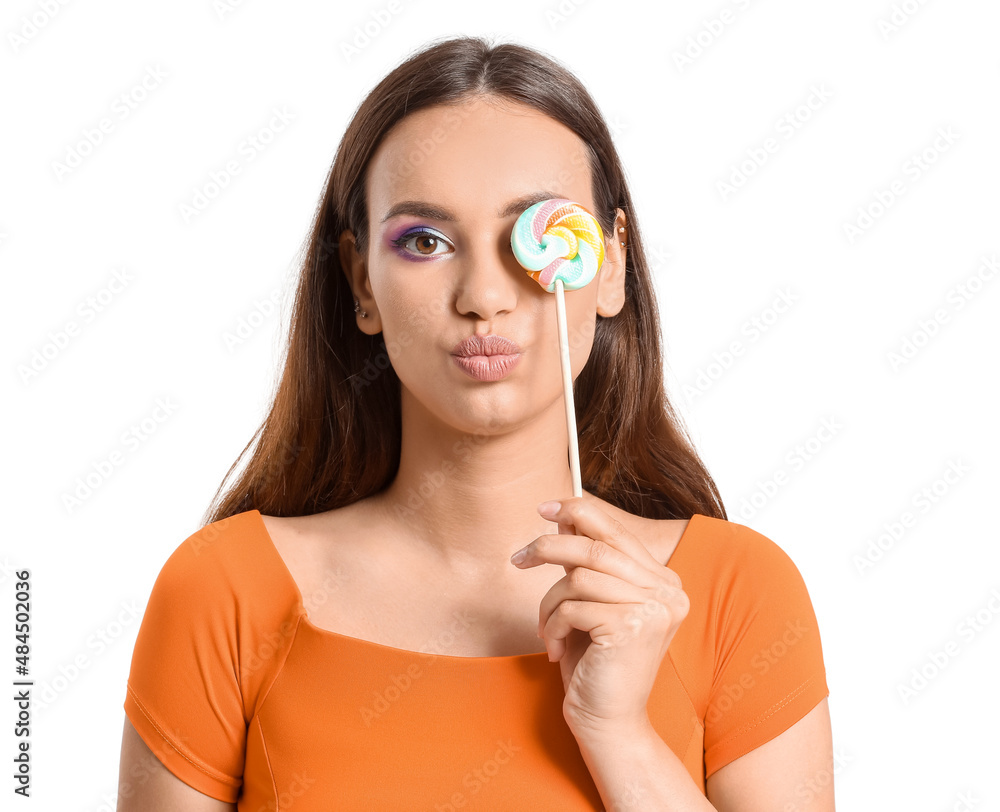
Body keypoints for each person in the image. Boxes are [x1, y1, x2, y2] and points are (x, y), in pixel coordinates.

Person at [116, 35, 833, 811]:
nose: (484, 296)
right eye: (425, 241)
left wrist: (618, 732)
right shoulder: (225, 591)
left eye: (537, 232)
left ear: (611, 266)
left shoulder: (736, 594)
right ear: (363, 282)